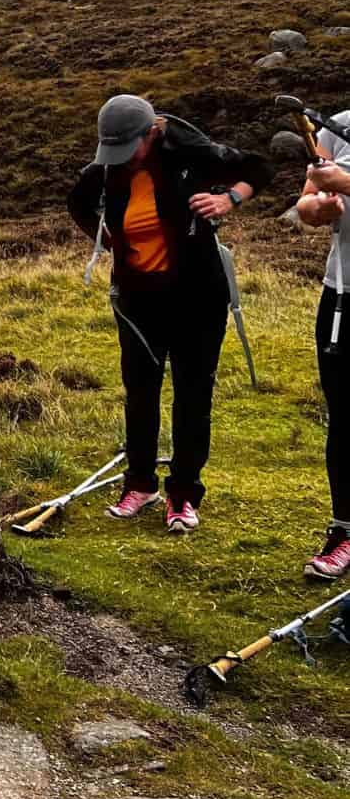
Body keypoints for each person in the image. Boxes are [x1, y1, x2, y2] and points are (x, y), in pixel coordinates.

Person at [66, 95, 271, 534]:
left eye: (128, 149)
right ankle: (140, 484)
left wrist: (229, 199)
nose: (120, 158)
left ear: (151, 134)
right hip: (138, 301)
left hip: (198, 295)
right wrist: (103, 236)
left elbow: (258, 168)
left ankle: (183, 494)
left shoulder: (189, 152)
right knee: (140, 391)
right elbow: (78, 203)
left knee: (193, 395)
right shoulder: (105, 170)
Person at [296, 113, 350, 579]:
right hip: (342, 296)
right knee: (344, 418)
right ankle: (344, 530)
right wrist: (321, 208)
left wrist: (348, 184)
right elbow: (307, 206)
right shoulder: (338, 127)